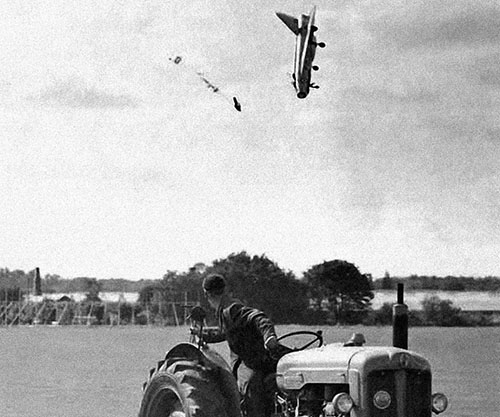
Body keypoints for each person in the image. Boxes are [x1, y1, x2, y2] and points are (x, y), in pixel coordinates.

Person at [197, 273, 285, 417]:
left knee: (250, 385)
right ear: (224, 289)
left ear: (207, 295)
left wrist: (269, 336)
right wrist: (203, 335)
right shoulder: (224, 309)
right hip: (247, 360)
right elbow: (226, 332)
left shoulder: (232, 308)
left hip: (253, 361)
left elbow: (258, 317)